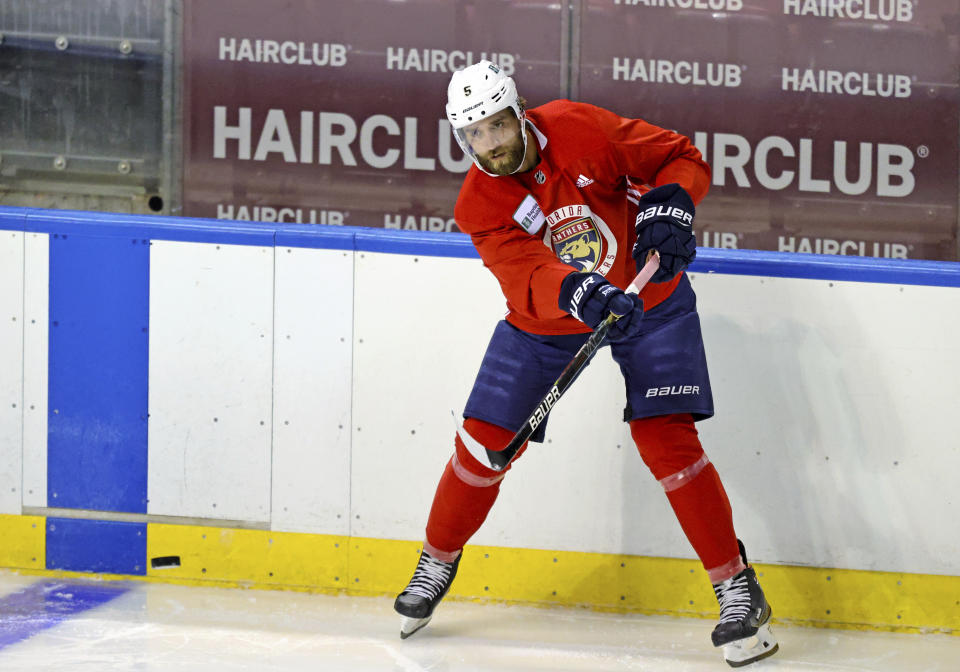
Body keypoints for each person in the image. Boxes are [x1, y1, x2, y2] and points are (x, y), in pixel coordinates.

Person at [393, 60, 779, 667]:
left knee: (667, 442)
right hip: (545, 325)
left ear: (518, 112)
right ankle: (436, 561)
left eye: (497, 125)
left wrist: (671, 202)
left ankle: (737, 588)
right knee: (482, 443)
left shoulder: (578, 127)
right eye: (475, 135)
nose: (489, 146)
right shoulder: (478, 203)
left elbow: (679, 157)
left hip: (649, 298)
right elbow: (523, 274)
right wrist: (575, 288)